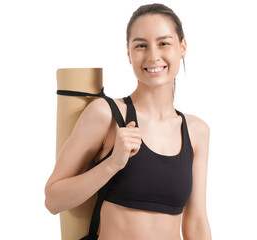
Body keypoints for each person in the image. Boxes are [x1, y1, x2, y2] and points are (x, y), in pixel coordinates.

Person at [45, 3, 211, 240]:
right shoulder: (106, 114)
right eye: (141, 45)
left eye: (164, 43)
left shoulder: (196, 131)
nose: (153, 56)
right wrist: (112, 164)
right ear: (129, 52)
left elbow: (196, 222)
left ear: (182, 47)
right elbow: (53, 200)